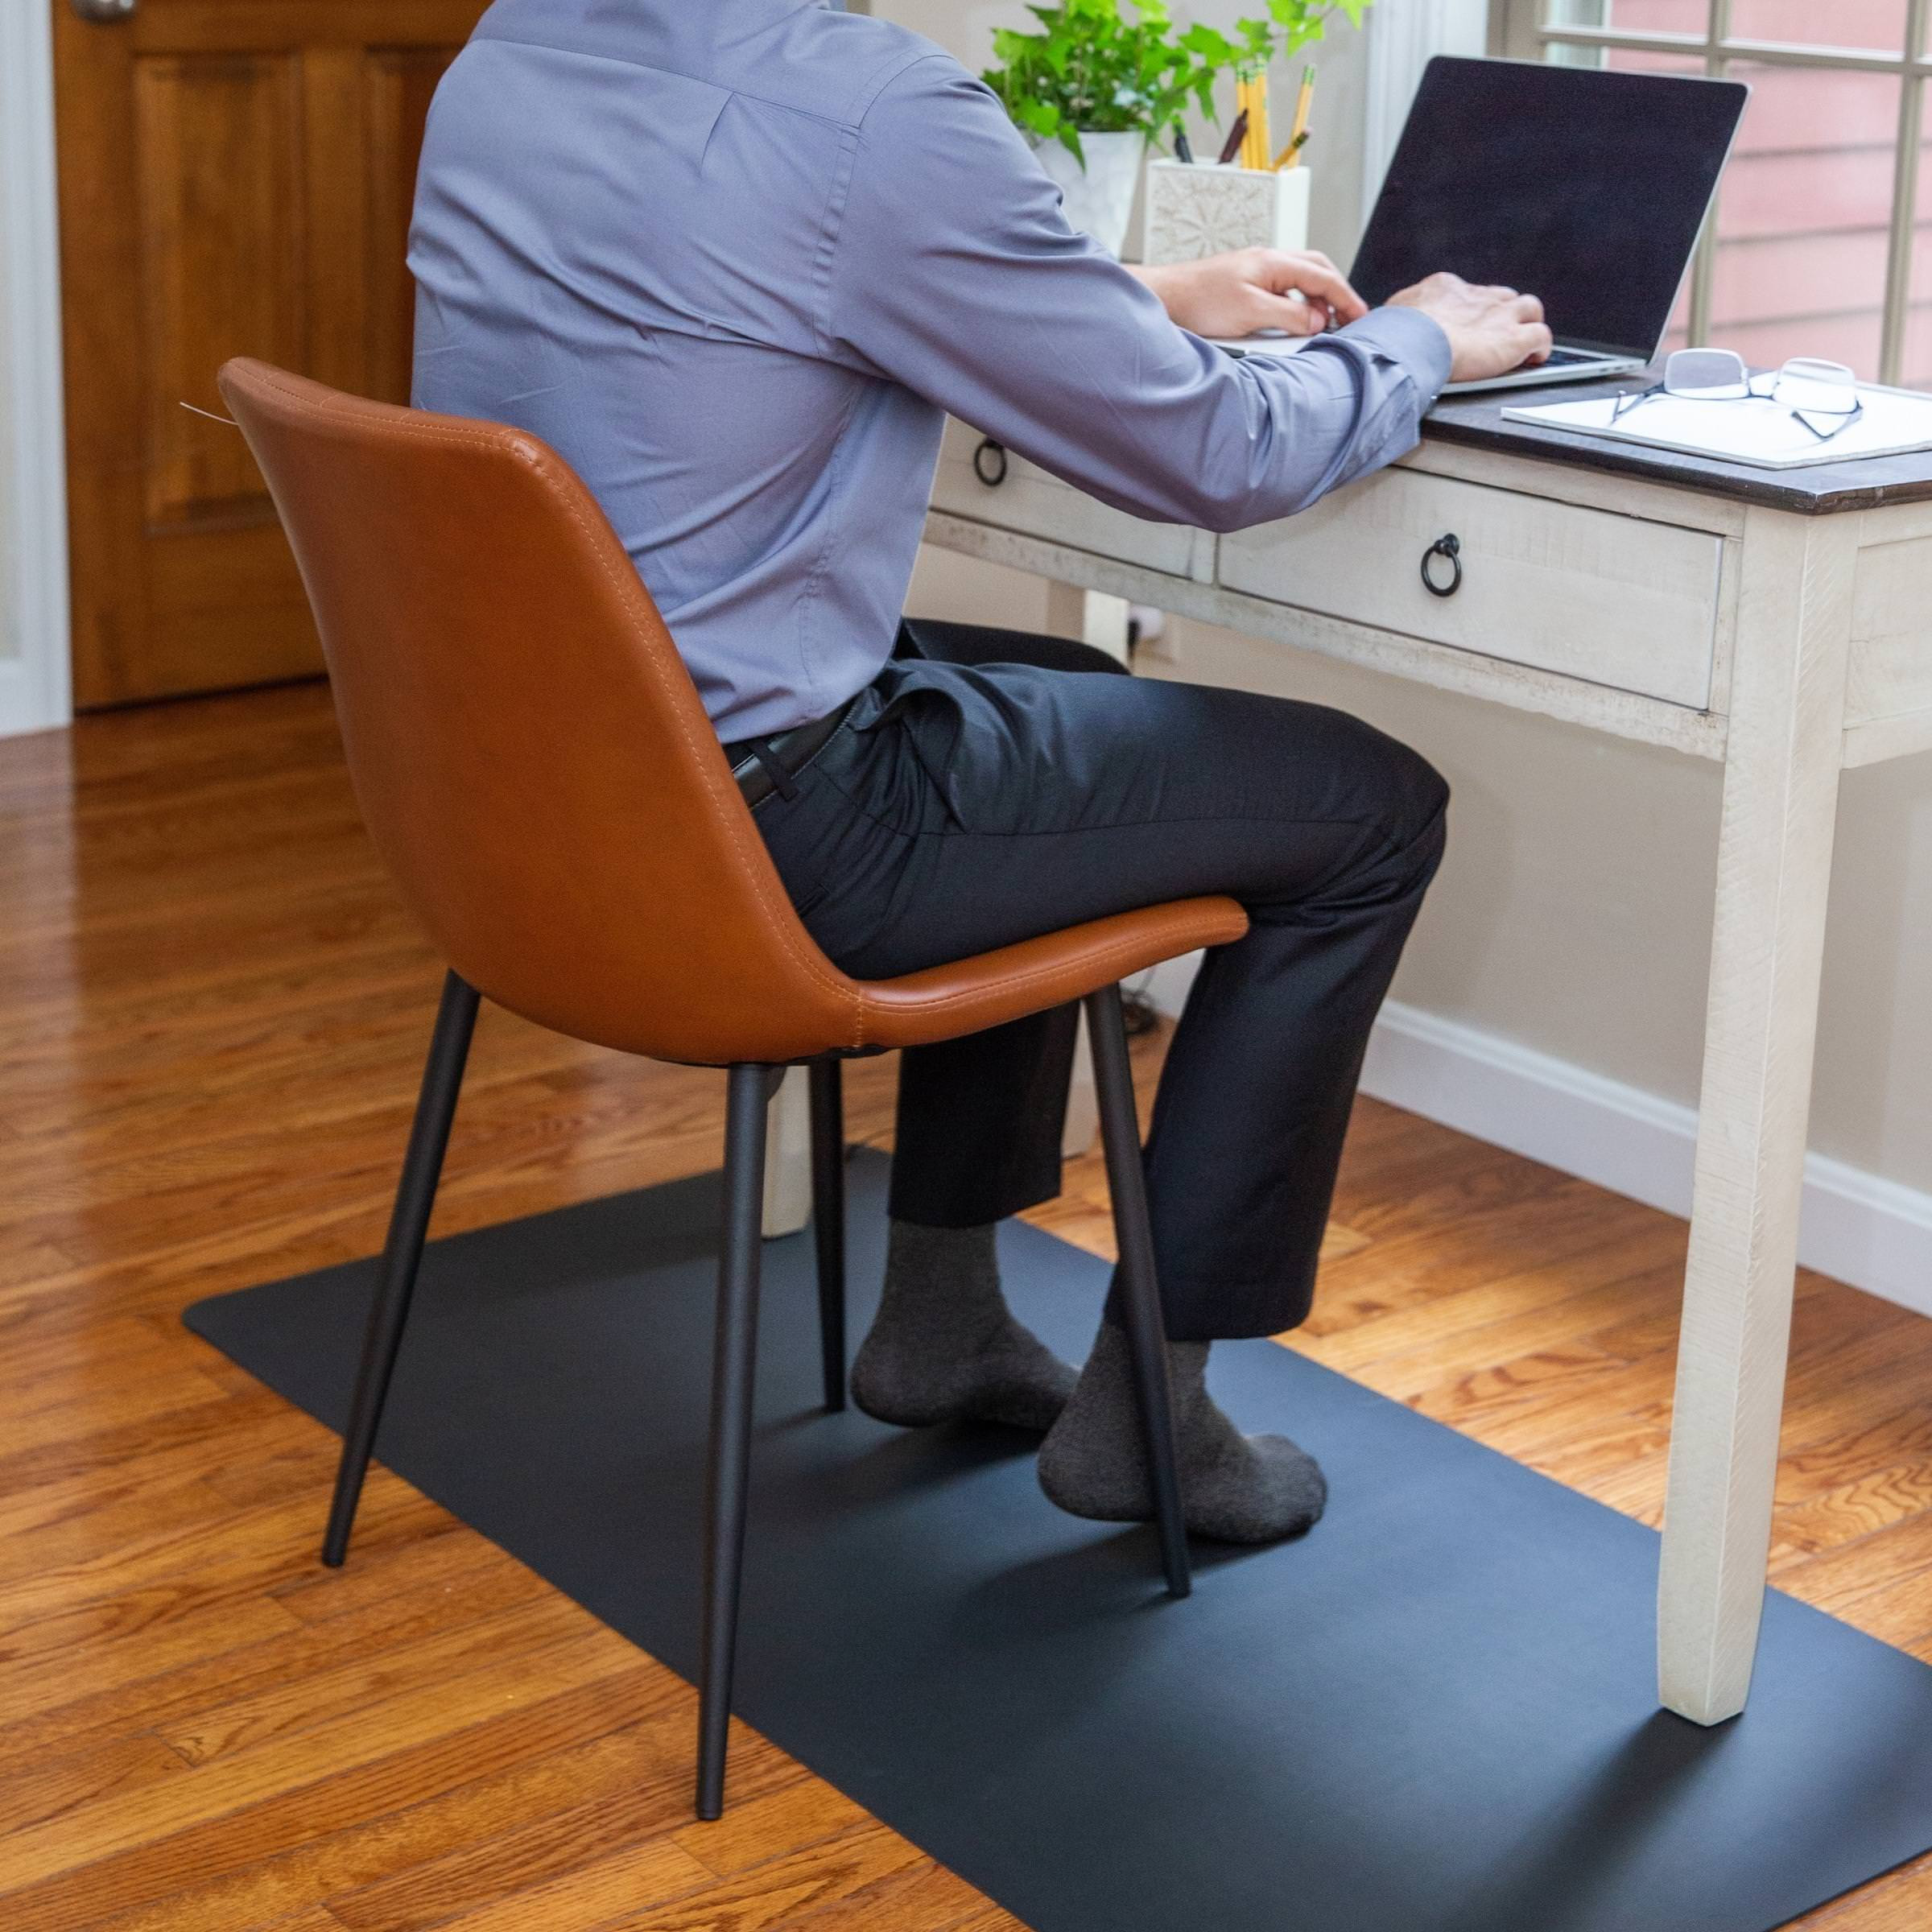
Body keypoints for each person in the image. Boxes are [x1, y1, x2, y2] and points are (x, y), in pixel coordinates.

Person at [410, 0, 1552, 1544]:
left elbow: (736, 266)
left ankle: (940, 1318)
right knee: (1370, 808)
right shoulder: (877, 111)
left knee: (1063, 690)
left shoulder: (520, 49)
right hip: (773, 831)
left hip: (538, 785)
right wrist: (1424, 339)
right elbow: (1216, 461)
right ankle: (1157, 1415)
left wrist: (1138, 291)